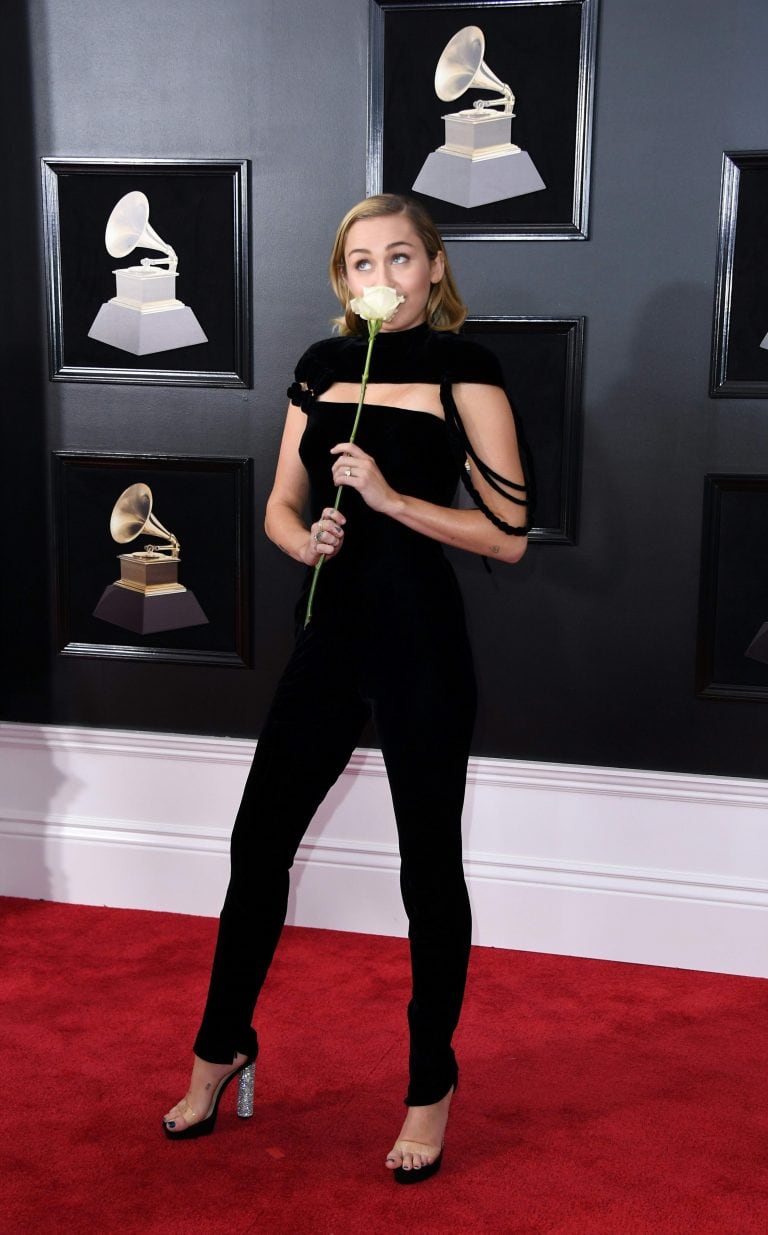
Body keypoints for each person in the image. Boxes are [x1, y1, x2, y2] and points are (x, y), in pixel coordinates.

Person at [163, 193, 531, 1182]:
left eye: (402, 257)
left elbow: (508, 533)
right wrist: (308, 534)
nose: (383, 276)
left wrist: (390, 498)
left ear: (437, 268)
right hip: (327, 634)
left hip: (421, 644)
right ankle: (221, 1046)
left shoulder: (471, 370)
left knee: (426, 870)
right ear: (345, 280)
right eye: (362, 262)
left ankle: (429, 1082)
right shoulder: (323, 367)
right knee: (256, 844)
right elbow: (282, 507)